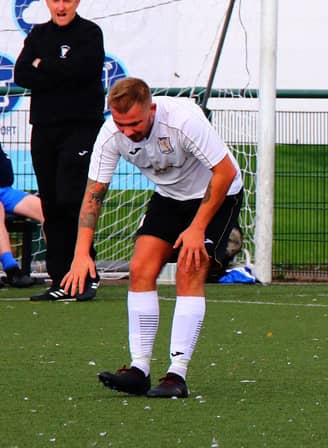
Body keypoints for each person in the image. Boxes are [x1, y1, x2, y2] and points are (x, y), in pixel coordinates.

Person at [61, 77, 243, 398]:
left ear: (151, 108)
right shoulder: (110, 135)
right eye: (120, 123)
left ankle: (176, 375)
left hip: (217, 194)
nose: (128, 131)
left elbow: (225, 171)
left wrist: (197, 228)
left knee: (189, 267)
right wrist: (80, 253)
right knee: (141, 268)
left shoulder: (183, 121)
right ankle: (139, 368)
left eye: (134, 123)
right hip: (169, 197)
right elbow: (94, 195)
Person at [14, 0, 105, 301]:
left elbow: (85, 71)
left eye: (68, 1)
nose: (62, 7)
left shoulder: (90, 33)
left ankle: (86, 272)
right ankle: (59, 280)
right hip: (45, 127)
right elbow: (21, 73)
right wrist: (59, 70)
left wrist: (46, 68)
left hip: (80, 126)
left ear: (76, 2)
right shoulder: (39, 34)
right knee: (51, 203)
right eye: (56, 1)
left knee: (72, 198)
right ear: (48, 2)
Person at [0, 134, 44, 288]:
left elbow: (6, 175)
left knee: (45, 209)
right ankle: (11, 269)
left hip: (3, 191)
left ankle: (63, 267)